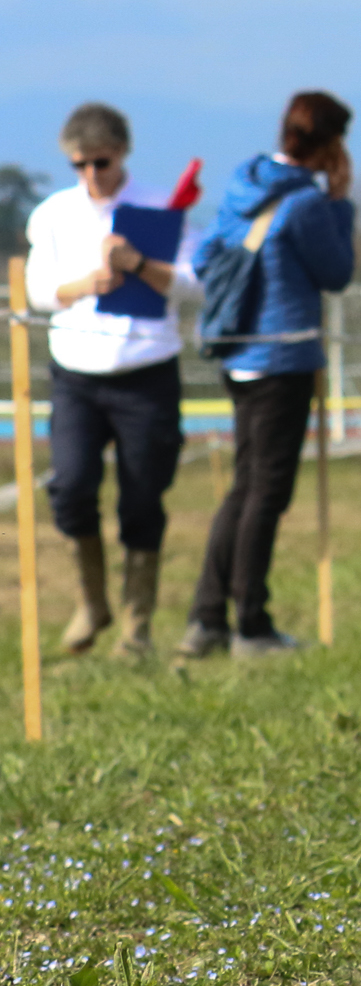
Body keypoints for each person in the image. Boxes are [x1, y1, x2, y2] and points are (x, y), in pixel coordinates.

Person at [178, 91, 357, 659]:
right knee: (266, 494)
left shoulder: (242, 184)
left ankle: (207, 617)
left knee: (244, 486)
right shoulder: (306, 204)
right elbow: (336, 272)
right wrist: (340, 203)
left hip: (238, 354)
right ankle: (250, 624)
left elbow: (204, 257)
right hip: (283, 358)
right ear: (329, 146)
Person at [24, 104, 187, 659]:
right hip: (76, 376)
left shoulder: (161, 206)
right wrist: (85, 284)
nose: (92, 174)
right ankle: (91, 602)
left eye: (102, 162)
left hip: (147, 372)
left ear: (122, 154)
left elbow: (194, 284)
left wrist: (139, 265)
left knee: (142, 498)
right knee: (70, 487)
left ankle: (137, 627)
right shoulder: (52, 214)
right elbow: (37, 291)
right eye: (81, 164)